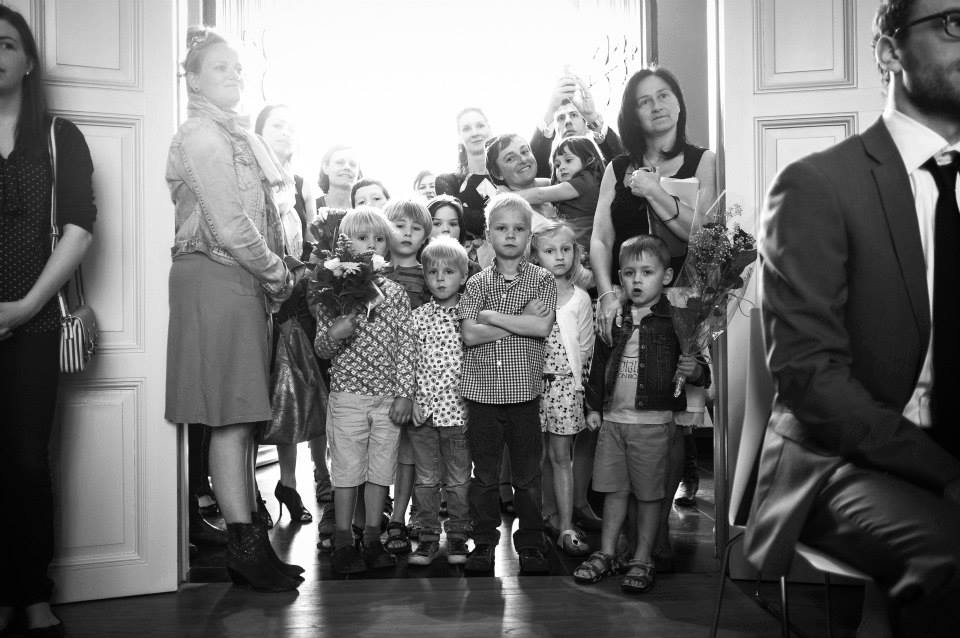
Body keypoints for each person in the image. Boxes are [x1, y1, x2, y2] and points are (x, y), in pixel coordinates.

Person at [744, 2, 960, 635]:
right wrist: (946, 473)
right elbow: (811, 379)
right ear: (890, 52)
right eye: (954, 22)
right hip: (842, 460)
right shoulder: (816, 185)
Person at [165, 28, 302, 592]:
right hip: (219, 274)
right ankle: (245, 549)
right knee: (231, 415)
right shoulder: (201, 133)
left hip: (238, 277)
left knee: (242, 415)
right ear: (193, 79)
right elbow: (229, 222)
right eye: (220, 68)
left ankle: (251, 546)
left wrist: (268, 275)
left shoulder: (239, 136)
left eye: (239, 69)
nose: (234, 76)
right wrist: (279, 274)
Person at [0, 7, 97, 634]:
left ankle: (33, 591)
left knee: (27, 464)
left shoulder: (61, 135)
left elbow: (79, 226)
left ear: (28, 60)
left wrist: (28, 306)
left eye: (6, 43)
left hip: (34, 325)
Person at [573, 235, 706, 594]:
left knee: (649, 495)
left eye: (647, 272)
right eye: (629, 273)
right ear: (619, 277)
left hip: (653, 424)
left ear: (665, 277)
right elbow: (599, 364)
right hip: (614, 423)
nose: (637, 280)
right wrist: (594, 407)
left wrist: (693, 370)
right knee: (614, 492)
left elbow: (701, 372)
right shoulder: (615, 317)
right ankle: (607, 552)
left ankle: (642, 557)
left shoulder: (676, 321)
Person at [312, 207, 415, 575]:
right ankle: (343, 541)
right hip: (347, 397)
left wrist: (405, 393)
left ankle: (373, 538)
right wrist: (334, 333)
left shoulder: (397, 294)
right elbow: (321, 349)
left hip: (388, 399)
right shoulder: (332, 292)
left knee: (379, 471)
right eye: (361, 238)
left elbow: (406, 347)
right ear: (344, 244)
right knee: (345, 471)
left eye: (379, 238)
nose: (371, 244)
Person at [459, 193, 556, 574]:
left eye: (519, 229)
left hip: (523, 396)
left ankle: (531, 544)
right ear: (488, 234)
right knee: (483, 476)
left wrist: (493, 317)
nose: (510, 235)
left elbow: (541, 327)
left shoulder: (542, 279)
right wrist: (516, 321)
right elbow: (469, 335)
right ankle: (483, 543)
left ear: (530, 236)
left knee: (528, 477)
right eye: (502, 228)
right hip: (482, 395)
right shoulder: (477, 281)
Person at [591, 66, 717, 346]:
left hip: (681, 304)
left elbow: (703, 235)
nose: (656, 106)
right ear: (633, 114)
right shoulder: (617, 167)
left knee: (676, 387)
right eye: (644, 101)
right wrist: (606, 296)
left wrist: (652, 190)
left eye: (663, 96)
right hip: (624, 302)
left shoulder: (704, 160)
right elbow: (601, 239)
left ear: (678, 103)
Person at [254, 103, 320, 527]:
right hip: (255, 293)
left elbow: (312, 243)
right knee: (254, 396)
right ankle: (246, 494)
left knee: (291, 392)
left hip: (294, 296)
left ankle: (289, 484)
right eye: (278, 125)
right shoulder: (250, 178)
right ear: (259, 132)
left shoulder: (300, 184)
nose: (286, 133)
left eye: (292, 128)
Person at [529, 222, 595, 557]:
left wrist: (583, 392)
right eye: (550, 250)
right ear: (536, 255)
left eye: (566, 250)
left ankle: (566, 524)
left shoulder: (581, 299)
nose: (559, 257)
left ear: (576, 254)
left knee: (561, 457)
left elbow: (585, 350)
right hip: (530, 385)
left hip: (565, 388)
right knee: (534, 456)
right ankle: (543, 516)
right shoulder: (527, 294)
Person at [407, 236, 473, 566]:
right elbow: (408, 363)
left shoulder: (470, 317)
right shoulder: (417, 318)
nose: (441, 278)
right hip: (424, 416)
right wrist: (413, 400)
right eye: (433, 272)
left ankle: (459, 537)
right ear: (425, 277)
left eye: (449, 272)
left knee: (459, 480)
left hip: (459, 414)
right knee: (426, 480)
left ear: (463, 275)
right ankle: (428, 537)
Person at [380, 199, 432, 553]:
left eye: (416, 228)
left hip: (419, 372)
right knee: (382, 446)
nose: (407, 233)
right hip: (380, 372)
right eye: (399, 226)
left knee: (411, 450)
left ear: (426, 235)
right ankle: (373, 515)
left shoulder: (430, 275)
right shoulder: (375, 274)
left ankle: (402, 515)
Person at [509, 135, 605, 254]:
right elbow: (546, 183)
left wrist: (507, 196)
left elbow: (540, 195)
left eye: (568, 160)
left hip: (583, 246)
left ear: (589, 159)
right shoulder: (576, 183)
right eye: (557, 165)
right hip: (571, 242)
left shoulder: (585, 181)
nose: (562, 167)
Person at [530, 72, 624, 179]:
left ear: (586, 124)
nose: (567, 122)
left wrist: (592, 117)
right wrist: (550, 112)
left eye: (574, 115)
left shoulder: (602, 166)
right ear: (556, 128)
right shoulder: (552, 172)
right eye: (561, 118)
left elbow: (624, 164)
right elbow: (531, 168)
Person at [435, 107, 497, 241]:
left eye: (480, 126)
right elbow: (460, 220)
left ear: (489, 129)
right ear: (459, 136)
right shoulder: (448, 182)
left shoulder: (507, 177)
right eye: (466, 128)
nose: (475, 133)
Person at [313, 144, 361, 254]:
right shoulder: (311, 207)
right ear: (326, 167)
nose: (347, 167)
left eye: (353, 164)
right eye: (340, 162)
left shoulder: (365, 211)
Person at [426, 195, 483, 281]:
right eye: (437, 224)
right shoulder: (409, 266)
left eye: (453, 224)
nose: (446, 229)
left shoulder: (474, 271)